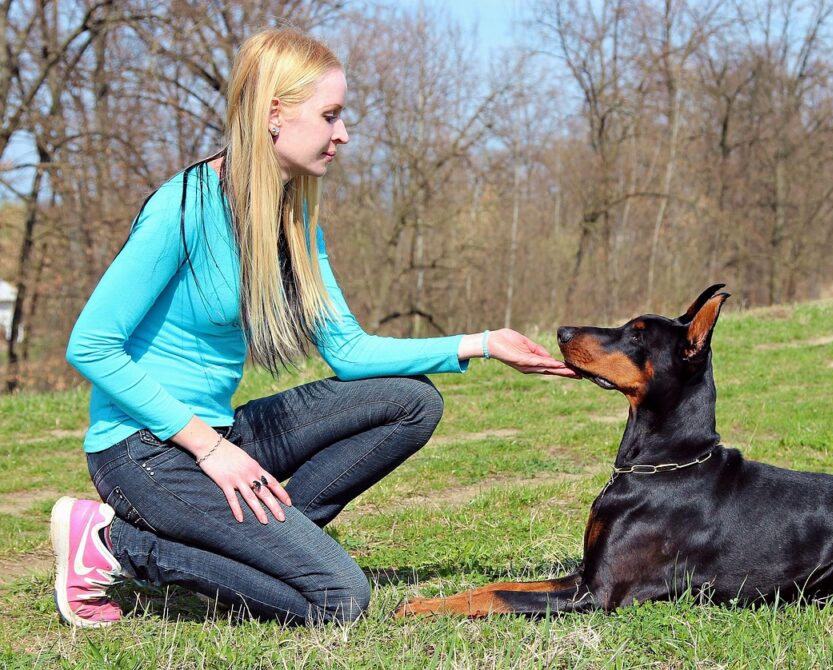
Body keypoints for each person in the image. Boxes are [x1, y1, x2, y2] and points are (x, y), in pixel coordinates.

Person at [52, 27, 573, 628]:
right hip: (143, 452)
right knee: (339, 599)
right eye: (330, 116)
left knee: (412, 402)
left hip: (223, 436)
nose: (342, 134)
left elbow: (347, 351)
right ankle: (114, 546)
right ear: (276, 114)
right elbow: (90, 344)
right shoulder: (185, 207)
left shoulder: (293, 219)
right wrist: (211, 450)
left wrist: (484, 344)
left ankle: (267, 545)